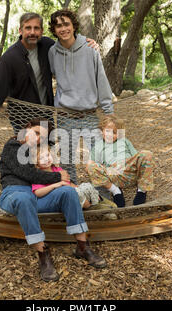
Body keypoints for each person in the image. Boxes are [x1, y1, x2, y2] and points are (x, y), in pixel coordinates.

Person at [0, 118, 107, 282]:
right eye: (35, 133)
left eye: (41, 137)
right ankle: (43, 254)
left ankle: (83, 247)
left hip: (39, 195)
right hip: (15, 193)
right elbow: (29, 174)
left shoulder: (38, 151)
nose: (37, 139)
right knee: (24, 199)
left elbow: (46, 172)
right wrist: (57, 176)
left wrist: (63, 179)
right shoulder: (13, 146)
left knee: (67, 192)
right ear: (27, 127)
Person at [0, 12, 98, 138]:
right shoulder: (10, 58)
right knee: (27, 153)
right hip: (22, 117)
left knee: (48, 152)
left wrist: (87, 44)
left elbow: (68, 44)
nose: (32, 32)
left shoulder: (48, 46)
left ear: (41, 31)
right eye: (28, 28)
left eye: (36, 28)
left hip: (46, 114)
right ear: (20, 30)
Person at [48, 9, 114, 184]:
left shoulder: (90, 48)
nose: (63, 29)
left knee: (97, 159)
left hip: (89, 114)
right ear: (54, 30)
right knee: (67, 161)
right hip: (64, 115)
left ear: (73, 25)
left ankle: (102, 198)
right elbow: (54, 74)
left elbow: (101, 80)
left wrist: (108, 112)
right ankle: (75, 196)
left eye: (66, 24)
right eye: (58, 26)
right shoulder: (52, 52)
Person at [86, 115, 154, 208]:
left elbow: (137, 157)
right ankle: (116, 192)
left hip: (130, 171)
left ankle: (142, 190)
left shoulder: (124, 141)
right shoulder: (98, 146)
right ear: (102, 131)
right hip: (113, 175)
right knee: (90, 167)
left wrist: (125, 162)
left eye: (114, 132)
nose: (110, 134)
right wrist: (106, 167)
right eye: (107, 131)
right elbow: (89, 165)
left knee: (147, 154)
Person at [32, 145, 101, 209]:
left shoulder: (58, 170)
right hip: (56, 198)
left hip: (70, 192)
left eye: (47, 155)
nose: (46, 159)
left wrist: (79, 189)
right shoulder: (38, 175)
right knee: (75, 192)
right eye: (41, 158)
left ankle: (95, 202)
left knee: (86, 186)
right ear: (36, 163)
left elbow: (69, 183)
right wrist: (55, 185)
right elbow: (37, 193)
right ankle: (87, 205)